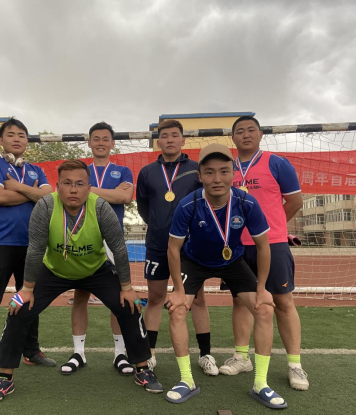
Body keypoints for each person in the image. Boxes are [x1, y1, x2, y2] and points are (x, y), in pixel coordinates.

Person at [0, 160, 163, 405]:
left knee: (131, 306)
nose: (73, 189)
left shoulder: (101, 207)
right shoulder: (46, 205)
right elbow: (35, 250)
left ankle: (142, 369)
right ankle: (5, 378)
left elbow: (119, 249)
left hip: (96, 270)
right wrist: (26, 289)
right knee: (18, 308)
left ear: (88, 188)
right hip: (54, 270)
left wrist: (127, 288)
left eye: (79, 184)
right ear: (58, 187)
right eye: (67, 184)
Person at [166, 144, 287, 409]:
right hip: (194, 262)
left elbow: (264, 246)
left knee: (265, 309)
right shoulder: (188, 204)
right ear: (200, 175)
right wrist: (177, 290)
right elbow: (173, 249)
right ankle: (186, 380)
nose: (217, 179)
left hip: (232, 261)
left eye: (224, 171)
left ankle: (261, 384)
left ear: (233, 174)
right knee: (177, 309)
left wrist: (262, 288)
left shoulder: (246, 202)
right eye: (209, 172)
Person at [218, 116, 309, 391]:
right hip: (236, 246)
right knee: (240, 301)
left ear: (260, 135)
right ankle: (241, 357)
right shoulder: (227, 167)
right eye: (239, 131)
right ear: (232, 138)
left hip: (272, 244)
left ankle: (294, 364)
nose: (245, 135)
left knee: (283, 301)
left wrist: (273, 226)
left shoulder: (277, 163)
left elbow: (295, 201)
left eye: (251, 130)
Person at [0, 118, 55, 389]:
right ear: (0, 140)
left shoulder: (36, 169)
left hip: (32, 245)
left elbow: (49, 198)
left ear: (27, 141)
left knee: (29, 300)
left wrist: (16, 187)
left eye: (22, 135)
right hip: (0, 244)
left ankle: (31, 351)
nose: (17, 139)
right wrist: (32, 193)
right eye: (11, 134)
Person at [136, 120, 217, 376]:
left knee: (198, 298)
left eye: (174, 135)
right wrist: (159, 225)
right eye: (164, 136)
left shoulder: (196, 170)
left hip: (190, 247)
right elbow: (143, 207)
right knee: (155, 298)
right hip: (158, 245)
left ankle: (205, 354)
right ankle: (149, 353)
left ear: (183, 140)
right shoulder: (147, 172)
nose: (169, 139)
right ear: (158, 142)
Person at [66, 122, 135, 376]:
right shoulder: (79, 170)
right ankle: (78, 352)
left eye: (106, 139)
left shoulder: (123, 170)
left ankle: (120, 354)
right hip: (83, 238)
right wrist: (110, 193)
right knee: (80, 294)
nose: (101, 143)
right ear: (89, 143)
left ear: (112, 144)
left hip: (112, 239)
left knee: (118, 297)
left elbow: (125, 197)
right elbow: (71, 198)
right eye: (96, 138)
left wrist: (89, 190)